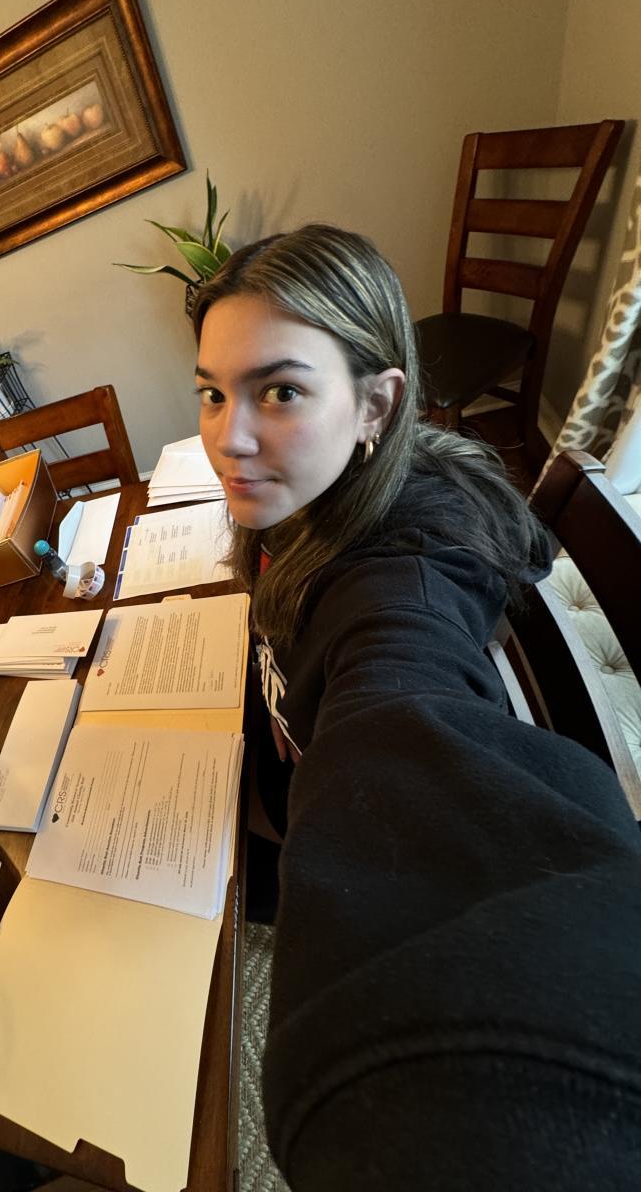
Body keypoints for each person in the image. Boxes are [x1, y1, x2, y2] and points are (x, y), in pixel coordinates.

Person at [192, 225, 641, 1190]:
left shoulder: (404, 584)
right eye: (213, 392)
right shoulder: (311, 502)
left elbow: (405, 720)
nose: (228, 439)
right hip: (267, 762)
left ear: (376, 403)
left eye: (280, 391)